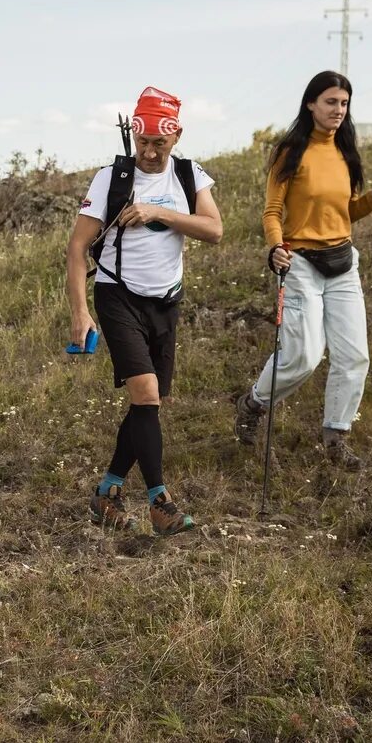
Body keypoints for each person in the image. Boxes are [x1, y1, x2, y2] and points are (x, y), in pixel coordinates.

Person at [66, 87, 223, 534]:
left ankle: (108, 491)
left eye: (160, 143)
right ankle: (161, 503)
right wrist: (80, 313)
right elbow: (77, 248)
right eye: (143, 143)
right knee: (147, 394)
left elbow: (214, 230)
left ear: (176, 137)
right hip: (118, 295)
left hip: (166, 300)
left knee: (147, 405)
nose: (150, 153)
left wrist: (160, 211)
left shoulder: (191, 176)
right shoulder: (110, 179)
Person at [233, 70, 372, 469]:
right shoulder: (290, 151)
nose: (338, 110)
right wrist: (276, 247)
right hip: (301, 262)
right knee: (304, 356)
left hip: (343, 263)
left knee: (354, 356)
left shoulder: (345, 151)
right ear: (310, 103)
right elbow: (272, 212)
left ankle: (335, 438)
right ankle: (253, 404)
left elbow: (347, 213)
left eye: (344, 103)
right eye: (330, 102)